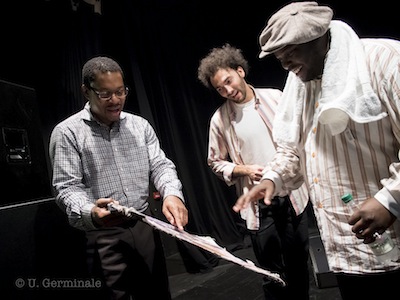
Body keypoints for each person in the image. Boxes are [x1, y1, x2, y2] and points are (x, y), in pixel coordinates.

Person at [233, 2, 400, 299]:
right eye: (278, 57)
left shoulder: (384, 61)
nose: (284, 65)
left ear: (319, 37)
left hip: (393, 243)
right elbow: (294, 151)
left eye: (291, 52)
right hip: (347, 250)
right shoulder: (301, 84)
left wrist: (389, 201)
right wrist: (272, 179)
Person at [49, 56, 188, 300]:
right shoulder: (67, 132)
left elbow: (160, 164)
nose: (115, 101)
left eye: (120, 92)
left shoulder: (140, 126)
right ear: (86, 91)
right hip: (103, 234)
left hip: (144, 224)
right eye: (105, 94)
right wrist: (89, 212)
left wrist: (172, 193)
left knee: (157, 293)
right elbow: (67, 187)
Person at [197, 44, 310, 300]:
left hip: (292, 195)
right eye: (219, 88)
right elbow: (214, 161)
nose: (227, 90)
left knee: (299, 265)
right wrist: (242, 169)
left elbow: (298, 140)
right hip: (259, 205)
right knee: (271, 272)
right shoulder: (220, 119)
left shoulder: (276, 98)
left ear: (240, 71)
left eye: (229, 80)